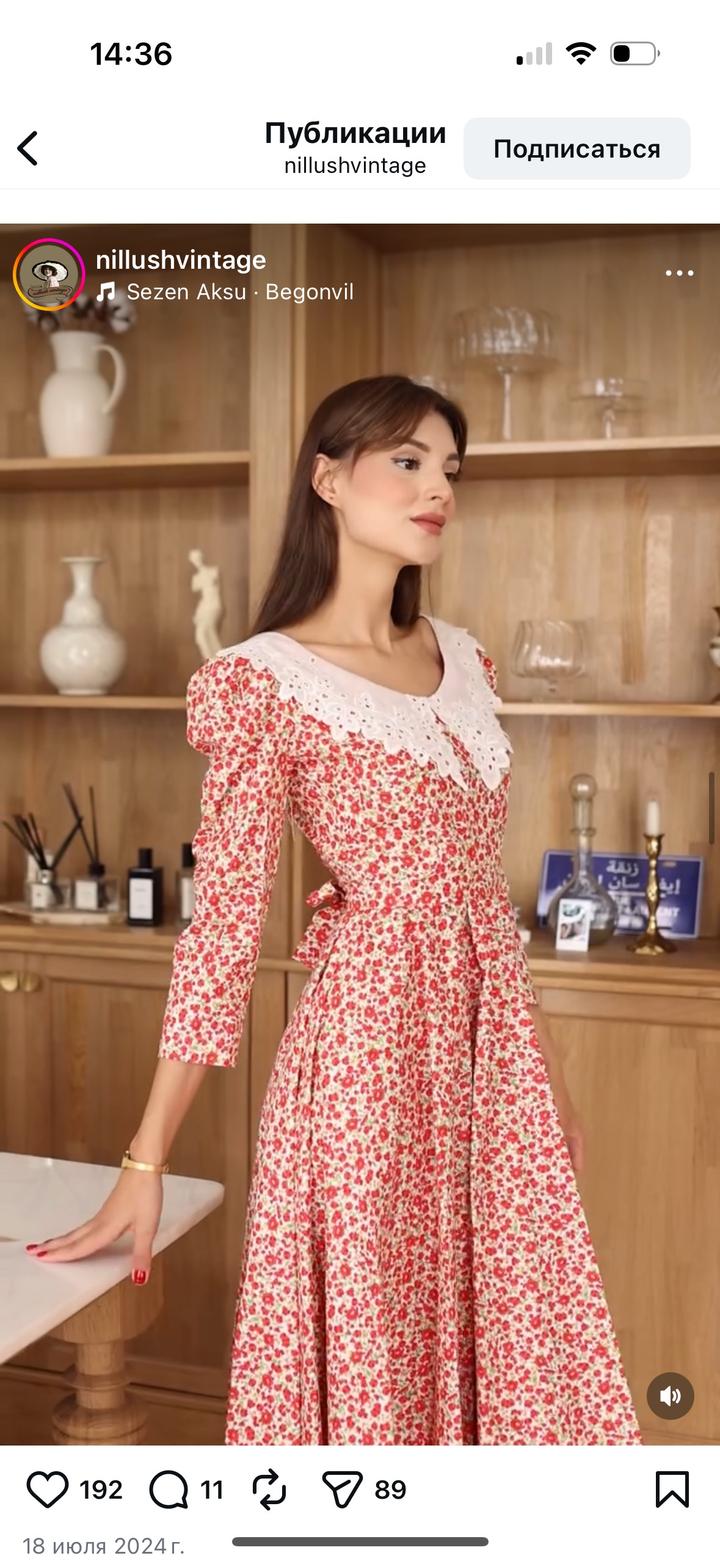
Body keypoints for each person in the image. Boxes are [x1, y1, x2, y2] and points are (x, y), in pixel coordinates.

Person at [27, 374, 643, 1447]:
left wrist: (546, 1077)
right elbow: (223, 930)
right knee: (379, 1348)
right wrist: (146, 1157)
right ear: (328, 478)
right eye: (407, 461)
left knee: (516, 1343)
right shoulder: (264, 681)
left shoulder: (465, 660)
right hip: (367, 1060)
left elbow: (482, 898)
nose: (437, 488)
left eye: (450, 469)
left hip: (491, 1062)